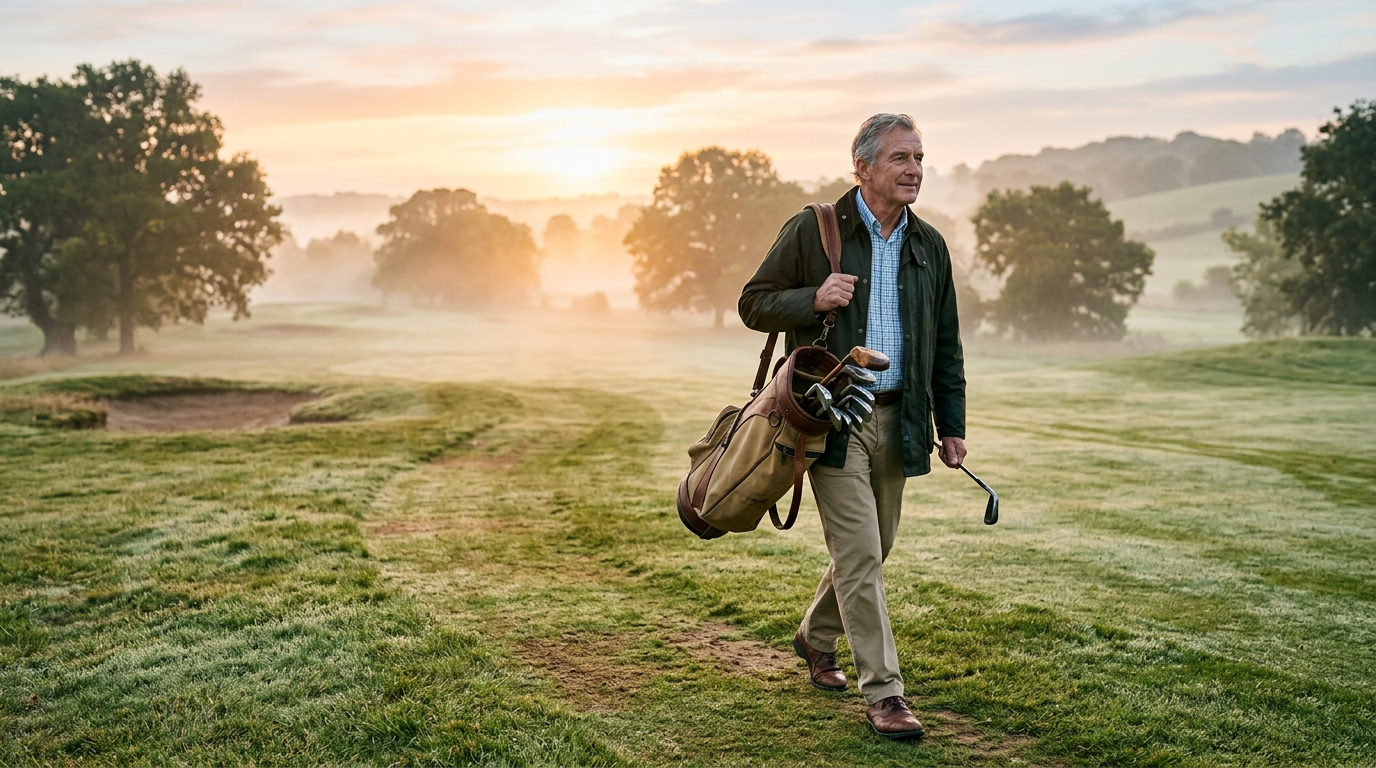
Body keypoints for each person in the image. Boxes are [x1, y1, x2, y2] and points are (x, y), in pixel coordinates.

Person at [737, 113, 967, 739]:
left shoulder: (930, 246)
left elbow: (945, 344)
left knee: (876, 548)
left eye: (919, 157)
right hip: (831, 418)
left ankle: (813, 636)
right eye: (900, 158)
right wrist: (811, 299)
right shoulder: (815, 230)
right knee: (860, 553)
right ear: (862, 167)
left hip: (901, 420)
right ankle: (886, 695)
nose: (914, 169)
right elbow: (752, 301)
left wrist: (952, 423)